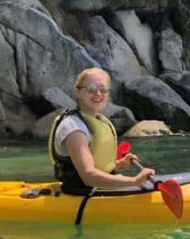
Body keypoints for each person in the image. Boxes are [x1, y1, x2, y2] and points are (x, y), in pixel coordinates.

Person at [48, 67, 154, 195]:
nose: (98, 93)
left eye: (103, 89)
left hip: (100, 190)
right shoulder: (74, 128)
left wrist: (118, 163)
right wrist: (134, 181)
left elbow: (96, 163)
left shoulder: (97, 119)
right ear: (77, 91)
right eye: (91, 89)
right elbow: (89, 176)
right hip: (81, 193)